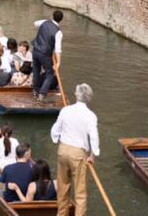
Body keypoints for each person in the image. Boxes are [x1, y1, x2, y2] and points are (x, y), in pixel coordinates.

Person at [50, 83, 100, 216]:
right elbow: (94, 137)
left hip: (63, 150)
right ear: (89, 98)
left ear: (76, 95)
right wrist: (92, 155)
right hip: (78, 153)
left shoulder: (66, 110)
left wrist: (56, 140)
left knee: (63, 188)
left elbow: (55, 129)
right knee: (80, 193)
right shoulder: (90, 115)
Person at [32, 10, 64, 101]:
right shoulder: (58, 32)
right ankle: (42, 94)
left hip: (35, 50)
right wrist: (58, 62)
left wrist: (47, 21)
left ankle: (35, 90)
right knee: (50, 74)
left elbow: (35, 23)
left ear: (52, 16)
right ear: (61, 20)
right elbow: (58, 49)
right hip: (45, 54)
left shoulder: (45, 22)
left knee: (36, 71)